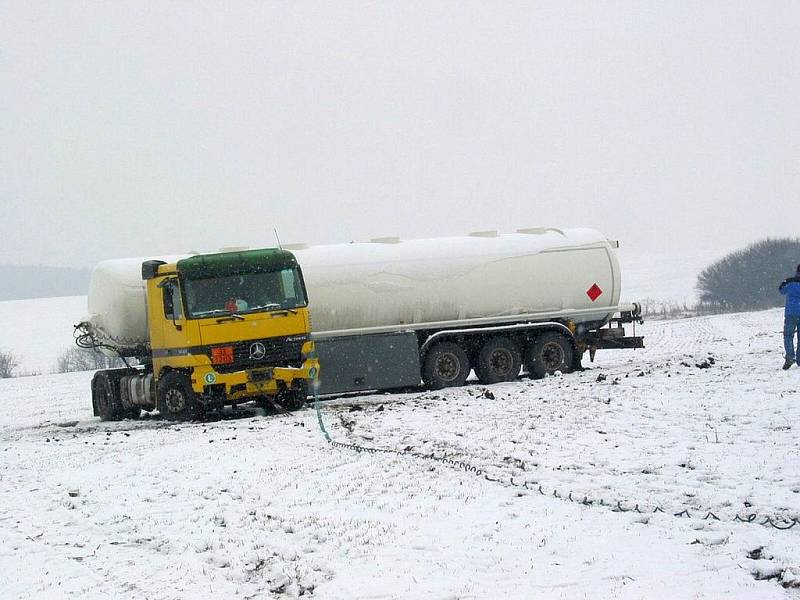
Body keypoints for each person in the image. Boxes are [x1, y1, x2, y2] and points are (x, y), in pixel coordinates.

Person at [779, 264, 800, 369]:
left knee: (788, 336)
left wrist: (785, 282)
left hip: (791, 313)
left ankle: (790, 357)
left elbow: (781, 290)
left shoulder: (790, 282)